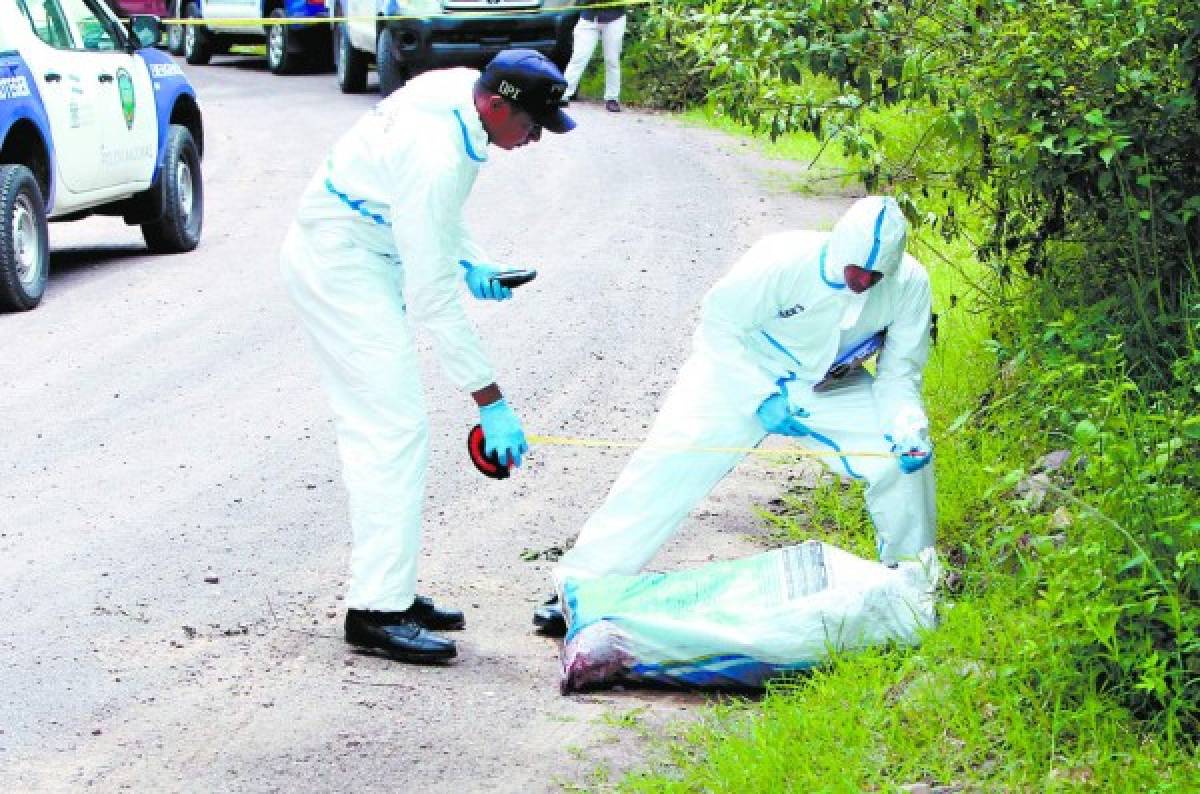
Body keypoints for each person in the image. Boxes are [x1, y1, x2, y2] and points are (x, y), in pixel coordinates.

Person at [280, 50, 575, 663]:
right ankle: (376, 613)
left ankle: (392, 589)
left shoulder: (458, 89)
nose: (535, 137)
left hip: (370, 242)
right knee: (390, 430)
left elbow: (424, 211)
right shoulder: (436, 152)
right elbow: (434, 297)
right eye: (531, 123)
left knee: (396, 430)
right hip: (340, 261)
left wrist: (471, 257)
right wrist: (491, 401)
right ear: (496, 105)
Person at [534, 196, 937, 636]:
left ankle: (911, 590)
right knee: (669, 463)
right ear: (838, 251)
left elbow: (900, 374)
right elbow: (718, 326)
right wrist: (758, 394)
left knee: (902, 463)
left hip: (828, 385)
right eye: (855, 271)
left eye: (874, 276)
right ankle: (581, 587)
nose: (862, 281)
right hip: (740, 369)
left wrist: (907, 429)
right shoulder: (781, 259)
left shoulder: (909, 285)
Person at [562, 3, 628, 112]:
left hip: (615, 18)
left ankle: (612, 98)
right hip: (588, 18)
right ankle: (562, 95)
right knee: (578, 58)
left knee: (612, 60)